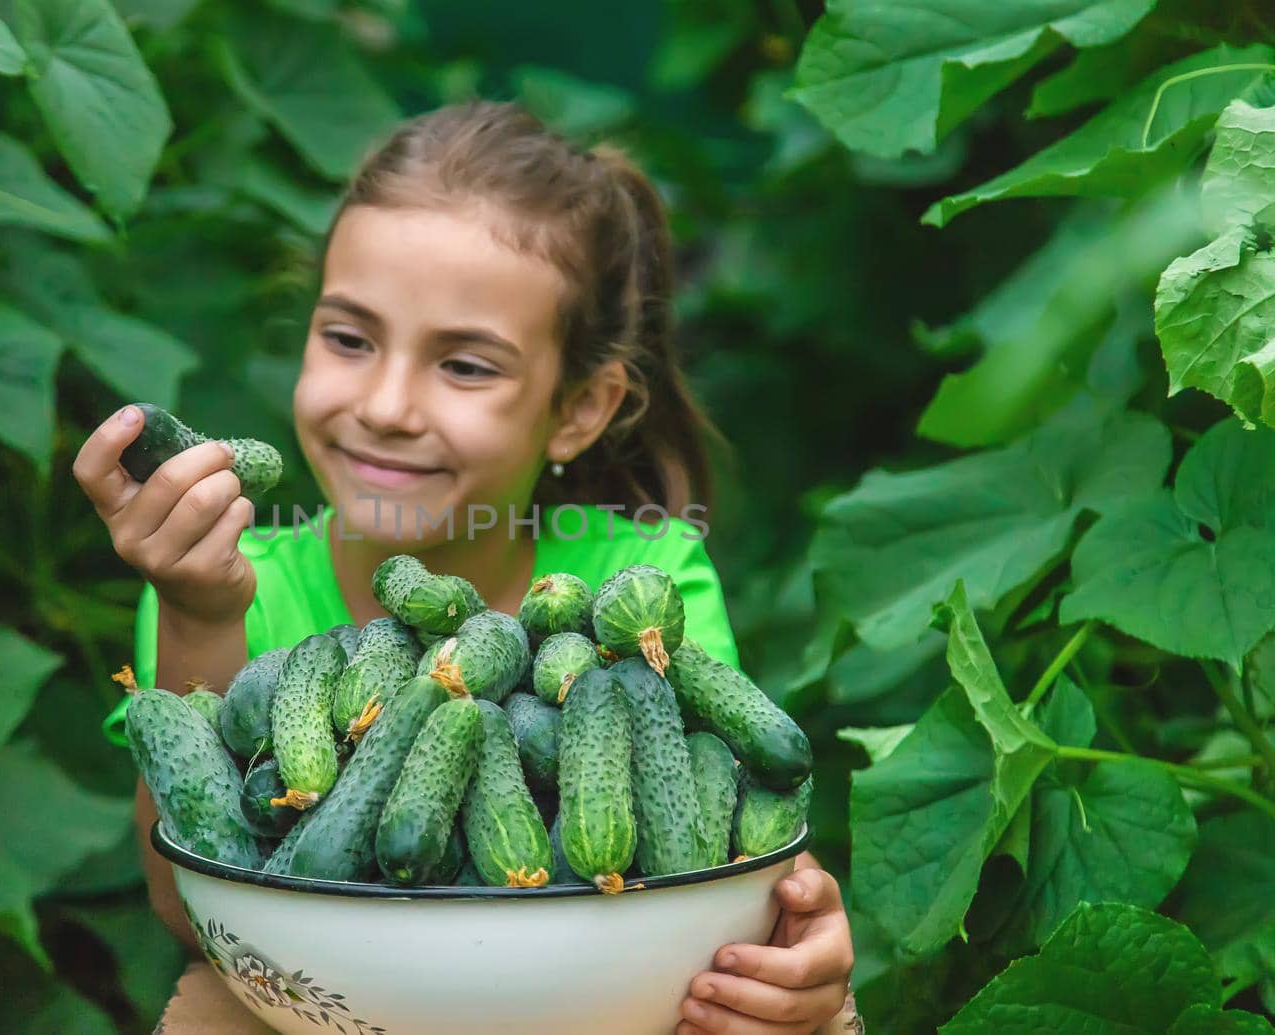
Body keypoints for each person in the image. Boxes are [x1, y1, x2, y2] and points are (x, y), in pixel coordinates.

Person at [74, 100, 858, 1035]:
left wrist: (793, 955)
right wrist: (200, 614)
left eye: (467, 366)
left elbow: (716, 839)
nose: (388, 404)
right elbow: (202, 918)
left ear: (579, 408)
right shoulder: (231, 580)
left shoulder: (648, 575)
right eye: (350, 338)